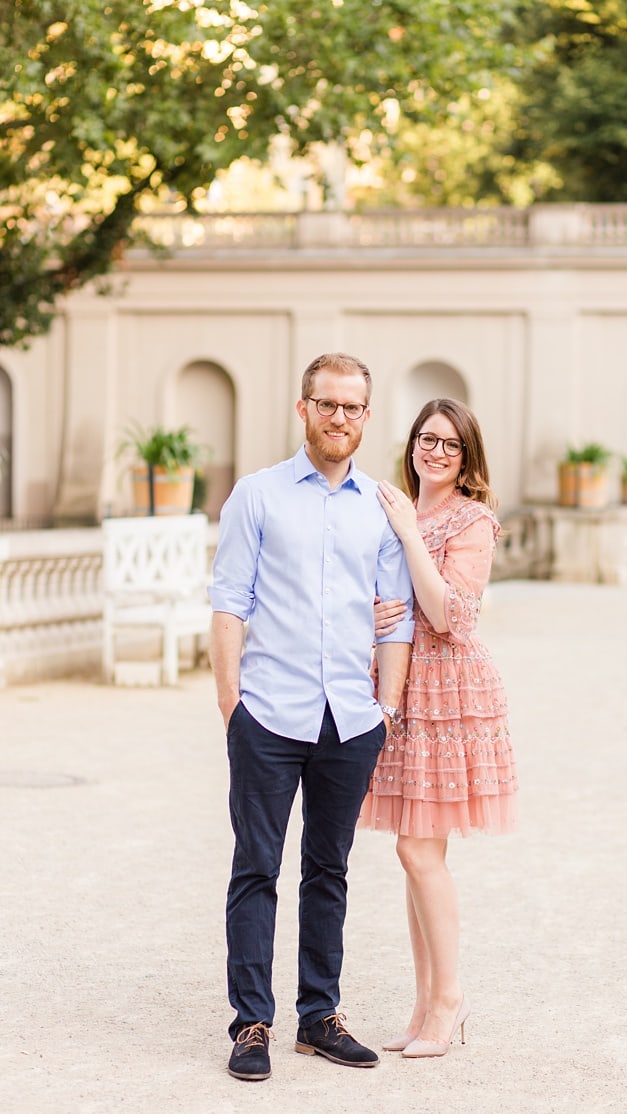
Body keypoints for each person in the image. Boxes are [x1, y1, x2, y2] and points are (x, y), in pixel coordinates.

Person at [210, 352, 415, 1082]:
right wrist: (233, 707)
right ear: (304, 409)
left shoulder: (382, 508)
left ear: (367, 415)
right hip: (268, 714)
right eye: (326, 404)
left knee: (329, 871)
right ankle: (251, 1025)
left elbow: (396, 620)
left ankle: (319, 1017)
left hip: (349, 721)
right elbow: (230, 602)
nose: (339, 418)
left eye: (352, 407)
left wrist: (384, 710)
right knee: (256, 869)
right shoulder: (258, 495)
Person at [359, 397, 518, 1059]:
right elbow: (379, 599)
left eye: (450, 445)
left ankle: (449, 1000)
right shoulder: (400, 509)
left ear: (467, 456)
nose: (435, 451)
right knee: (415, 853)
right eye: (428, 438)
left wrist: (403, 531)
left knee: (419, 851)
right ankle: (426, 1004)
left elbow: (450, 613)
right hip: (401, 687)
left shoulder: (472, 519)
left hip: (451, 691)